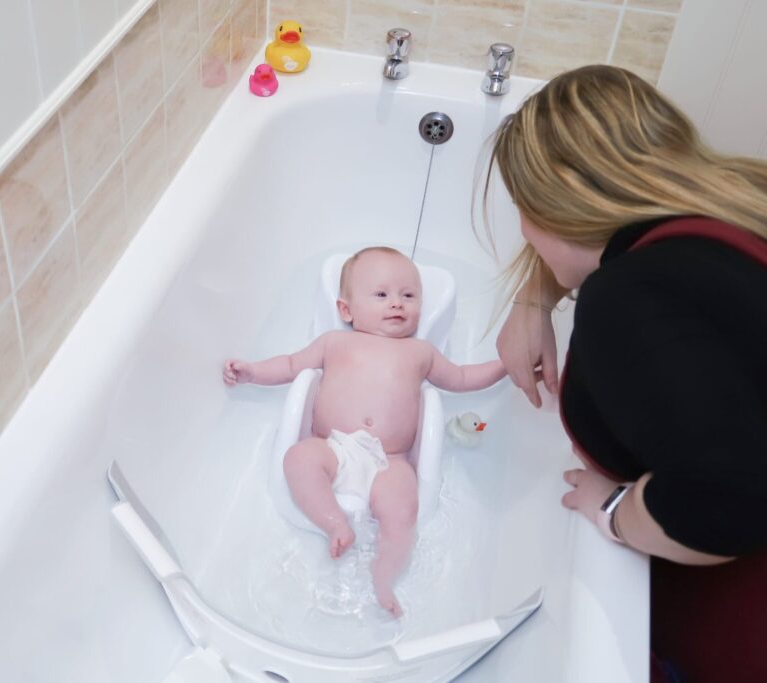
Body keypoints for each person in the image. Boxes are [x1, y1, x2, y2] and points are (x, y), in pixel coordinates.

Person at [484, 64, 767, 682]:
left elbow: (730, 501)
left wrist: (616, 512)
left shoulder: (628, 300)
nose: (525, 232)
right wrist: (535, 294)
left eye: (523, 211)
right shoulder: (739, 201)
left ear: (557, 203)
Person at [223, 247, 505, 616]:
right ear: (346, 310)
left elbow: (464, 378)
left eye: (408, 295)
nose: (396, 304)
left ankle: (384, 576)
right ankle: (334, 523)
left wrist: (505, 366)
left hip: (391, 460)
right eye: (381, 295)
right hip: (333, 446)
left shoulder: (421, 353)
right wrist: (252, 372)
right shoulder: (335, 342)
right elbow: (291, 364)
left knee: (403, 508)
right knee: (298, 458)